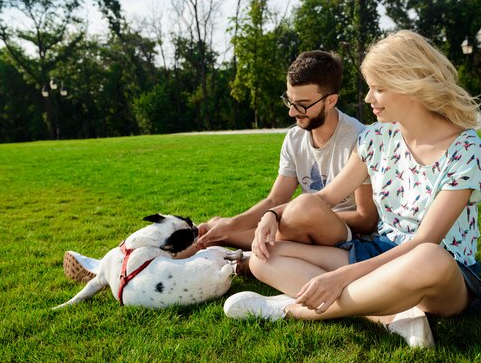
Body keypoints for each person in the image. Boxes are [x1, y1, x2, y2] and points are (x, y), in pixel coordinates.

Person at [223, 30, 481, 348]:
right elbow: (323, 199)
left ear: (411, 86)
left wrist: (342, 277)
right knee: (262, 258)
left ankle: (293, 310)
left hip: (442, 272)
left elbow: (425, 241)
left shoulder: (465, 149)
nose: (368, 99)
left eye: (379, 88)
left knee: (429, 257)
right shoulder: (378, 139)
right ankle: (391, 316)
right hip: (381, 251)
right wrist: (271, 213)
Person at [63, 50, 378, 281]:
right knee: (215, 226)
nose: (292, 112)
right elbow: (274, 200)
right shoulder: (294, 139)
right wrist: (239, 224)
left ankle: (209, 257)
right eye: (289, 101)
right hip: (292, 226)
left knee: (293, 212)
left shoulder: (358, 139)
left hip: (342, 235)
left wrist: (290, 219)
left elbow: (366, 219)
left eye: (302, 104)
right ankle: (116, 265)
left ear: (331, 101)